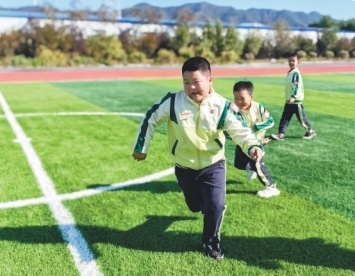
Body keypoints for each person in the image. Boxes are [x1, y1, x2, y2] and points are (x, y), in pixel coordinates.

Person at [132, 56, 263, 260]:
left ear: (210, 80)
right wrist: (142, 147)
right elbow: (151, 118)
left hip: (214, 164)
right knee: (195, 205)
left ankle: (211, 242)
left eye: (196, 82)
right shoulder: (174, 102)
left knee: (216, 206)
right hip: (184, 166)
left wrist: (253, 146)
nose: (191, 87)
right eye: (186, 82)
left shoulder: (223, 106)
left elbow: (241, 131)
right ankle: (204, 204)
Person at [232, 81, 280, 198]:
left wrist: (257, 127)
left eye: (242, 98)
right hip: (243, 142)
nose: (239, 101)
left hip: (257, 143)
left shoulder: (258, 107)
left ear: (251, 97)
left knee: (258, 164)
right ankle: (252, 169)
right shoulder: (235, 110)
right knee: (239, 164)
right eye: (236, 98)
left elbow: (270, 121)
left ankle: (271, 187)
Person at [271, 53, 316, 140]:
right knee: (285, 118)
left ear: (297, 62)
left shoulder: (296, 73)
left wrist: (293, 96)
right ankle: (281, 134)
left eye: (293, 61)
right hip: (289, 101)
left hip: (295, 101)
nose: (291, 62)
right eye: (290, 60)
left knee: (302, 118)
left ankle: (310, 131)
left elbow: (296, 86)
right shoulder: (290, 72)